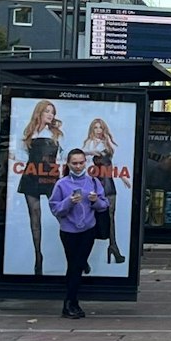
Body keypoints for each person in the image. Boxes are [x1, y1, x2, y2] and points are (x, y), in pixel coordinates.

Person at [48, 148, 108, 319]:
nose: (78, 166)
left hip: (88, 229)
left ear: (85, 163)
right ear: (68, 164)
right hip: (69, 231)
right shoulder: (62, 184)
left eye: (81, 162)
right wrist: (69, 202)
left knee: (77, 266)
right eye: (74, 163)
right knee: (74, 266)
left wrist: (95, 201)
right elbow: (55, 208)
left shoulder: (93, 182)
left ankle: (70, 302)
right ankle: (70, 303)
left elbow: (104, 205)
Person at [15, 100, 63, 274]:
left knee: (61, 214)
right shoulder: (29, 132)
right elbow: (21, 156)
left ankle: (74, 254)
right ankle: (38, 257)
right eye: (47, 111)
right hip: (32, 175)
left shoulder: (57, 134)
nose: (50, 115)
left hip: (51, 177)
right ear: (39, 112)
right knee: (34, 217)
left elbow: (63, 157)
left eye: (53, 112)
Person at [82, 117, 126, 264]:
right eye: (96, 127)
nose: (99, 130)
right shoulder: (89, 144)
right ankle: (85, 255)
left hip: (108, 183)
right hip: (95, 184)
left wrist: (124, 177)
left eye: (101, 127)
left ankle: (114, 246)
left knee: (111, 216)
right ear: (92, 129)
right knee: (90, 219)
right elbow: (84, 161)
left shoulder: (108, 143)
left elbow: (115, 162)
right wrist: (90, 152)